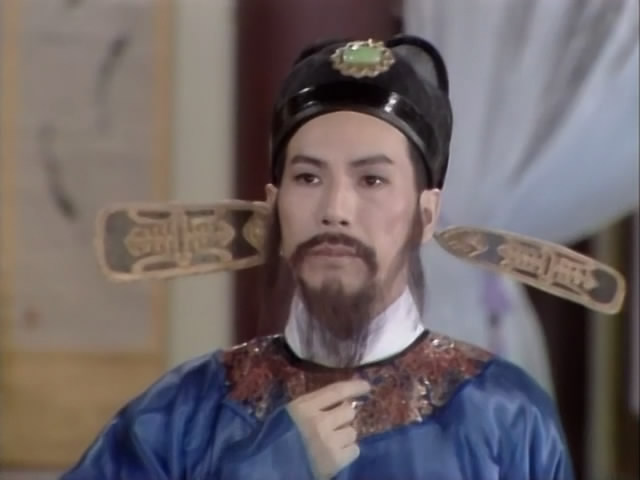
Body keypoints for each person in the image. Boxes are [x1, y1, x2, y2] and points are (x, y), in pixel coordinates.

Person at [61, 35, 574, 479]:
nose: (334, 210)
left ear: (425, 214)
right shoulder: (182, 414)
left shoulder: (506, 416)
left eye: (371, 180)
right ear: (274, 207)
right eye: (308, 178)